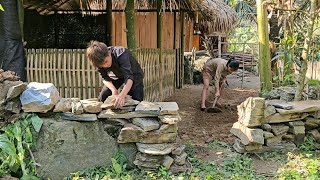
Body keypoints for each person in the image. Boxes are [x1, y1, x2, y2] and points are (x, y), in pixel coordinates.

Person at [86, 41, 144, 108]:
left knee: (136, 100)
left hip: (134, 75)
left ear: (109, 53)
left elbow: (129, 77)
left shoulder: (121, 53)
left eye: (106, 62)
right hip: (116, 75)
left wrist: (122, 95)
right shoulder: (97, 60)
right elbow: (105, 78)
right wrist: (114, 90)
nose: (105, 66)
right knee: (104, 95)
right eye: (102, 65)